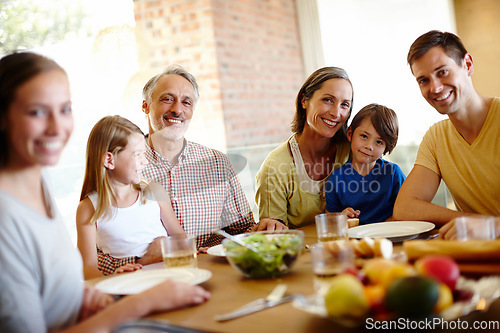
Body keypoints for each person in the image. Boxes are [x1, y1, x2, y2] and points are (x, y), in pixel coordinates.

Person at [0, 51, 210, 333]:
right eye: (37, 111)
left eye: (64, 109)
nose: (57, 127)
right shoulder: (8, 218)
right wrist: (141, 303)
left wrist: (79, 296)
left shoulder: (38, 190)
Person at [140, 65, 286, 249]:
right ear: (146, 105)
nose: (177, 109)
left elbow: (240, 230)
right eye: (167, 99)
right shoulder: (118, 167)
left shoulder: (218, 163)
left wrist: (264, 229)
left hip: (210, 270)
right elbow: (100, 247)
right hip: (147, 273)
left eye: (187, 102)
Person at [393, 30, 500, 239]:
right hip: (479, 258)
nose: (435, 87)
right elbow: (405, 207)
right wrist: (465, 220)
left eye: (442, 72)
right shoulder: (436, 137)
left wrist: (492, 227)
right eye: (423, 80)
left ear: (467, 65)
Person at [76, 115, 187, 279]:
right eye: (137, 154)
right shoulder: (88, 208)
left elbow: (180, 237)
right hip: (128, 283)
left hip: (171, 277)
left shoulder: (154, 190)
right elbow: (88, 268)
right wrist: (116, 276)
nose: (145, 162)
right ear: (109, 159)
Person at [255, 67, 353, 228]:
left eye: (344, 105)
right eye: (328, 100)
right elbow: (273, 237)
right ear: (304, 100)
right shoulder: (274, 167)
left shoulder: (354, 151)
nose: (336, 113)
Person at [325, 103, 405, 224]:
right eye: (363, 136)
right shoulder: (336, 178)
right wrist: (342, 217)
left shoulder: (393, 174)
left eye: (379, 142)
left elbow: (407, 209)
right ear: (350, 134)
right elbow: (330, 219)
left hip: (388, 237)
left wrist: (389, 223)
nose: (369, 146)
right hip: (353, 239)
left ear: (386, 147)